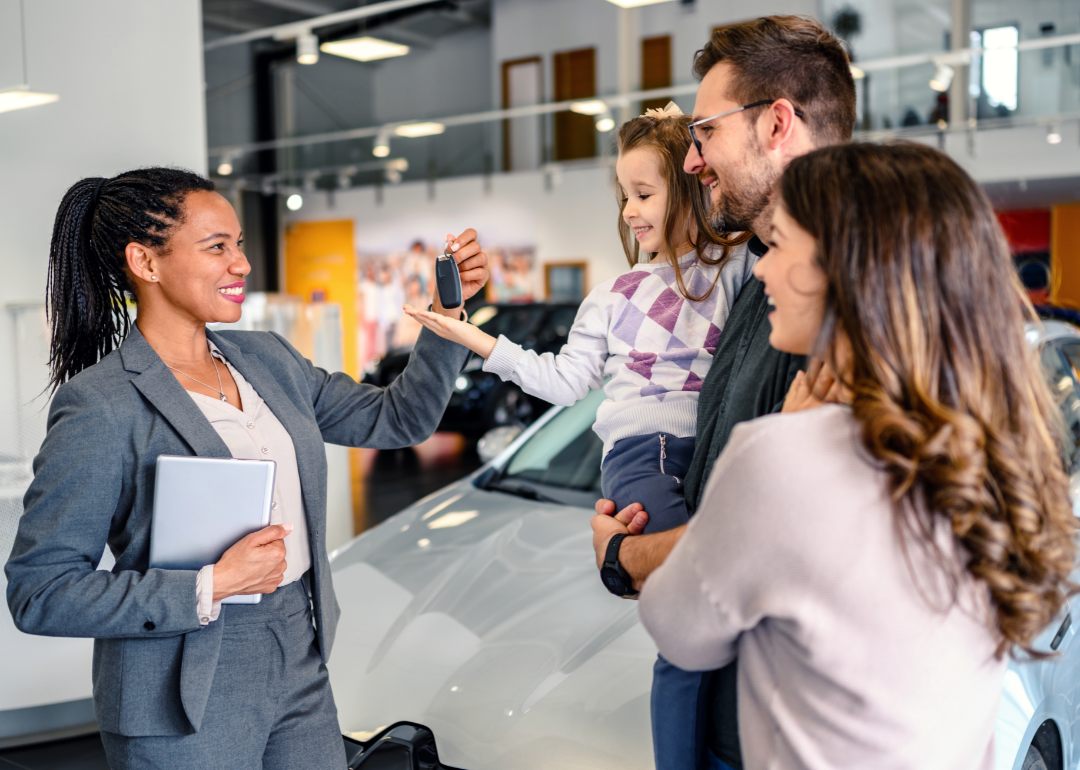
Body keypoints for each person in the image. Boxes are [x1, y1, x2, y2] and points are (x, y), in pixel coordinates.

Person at [4, 168, 488, 770]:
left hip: (297, 647)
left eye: (238, 244)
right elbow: (40, 591)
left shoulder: (269, 359)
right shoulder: (101, 405)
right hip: (178, 685)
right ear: (145, 262)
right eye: (217, 247)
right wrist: (213, 584)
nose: (242, 264)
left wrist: (447, 316)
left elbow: (399, 419)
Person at [638, 140, 1079, 768]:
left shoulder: (779, 458)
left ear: (845, 270)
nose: (761, 271)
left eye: (782, 244)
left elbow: (677, 627)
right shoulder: (992, 448)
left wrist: (777, 439)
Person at [404, 104, 753, 770]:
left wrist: (694, 131)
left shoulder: (736, 271)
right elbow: (563, 382)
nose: (629, 210)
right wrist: (473, 337)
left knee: (718, 617)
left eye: (644, 193)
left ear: (689, 184)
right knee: (688, 618)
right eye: (624, 196)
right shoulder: (614, 295)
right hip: (642, 457)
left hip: (708, 457)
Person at [590, 15, 856, 769]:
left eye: (705, 132)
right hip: (731, 715)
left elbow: (785, 542)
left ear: (776, 124)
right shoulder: (758, 285)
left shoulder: (843, 302)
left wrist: (628, 559)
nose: (695, 160)